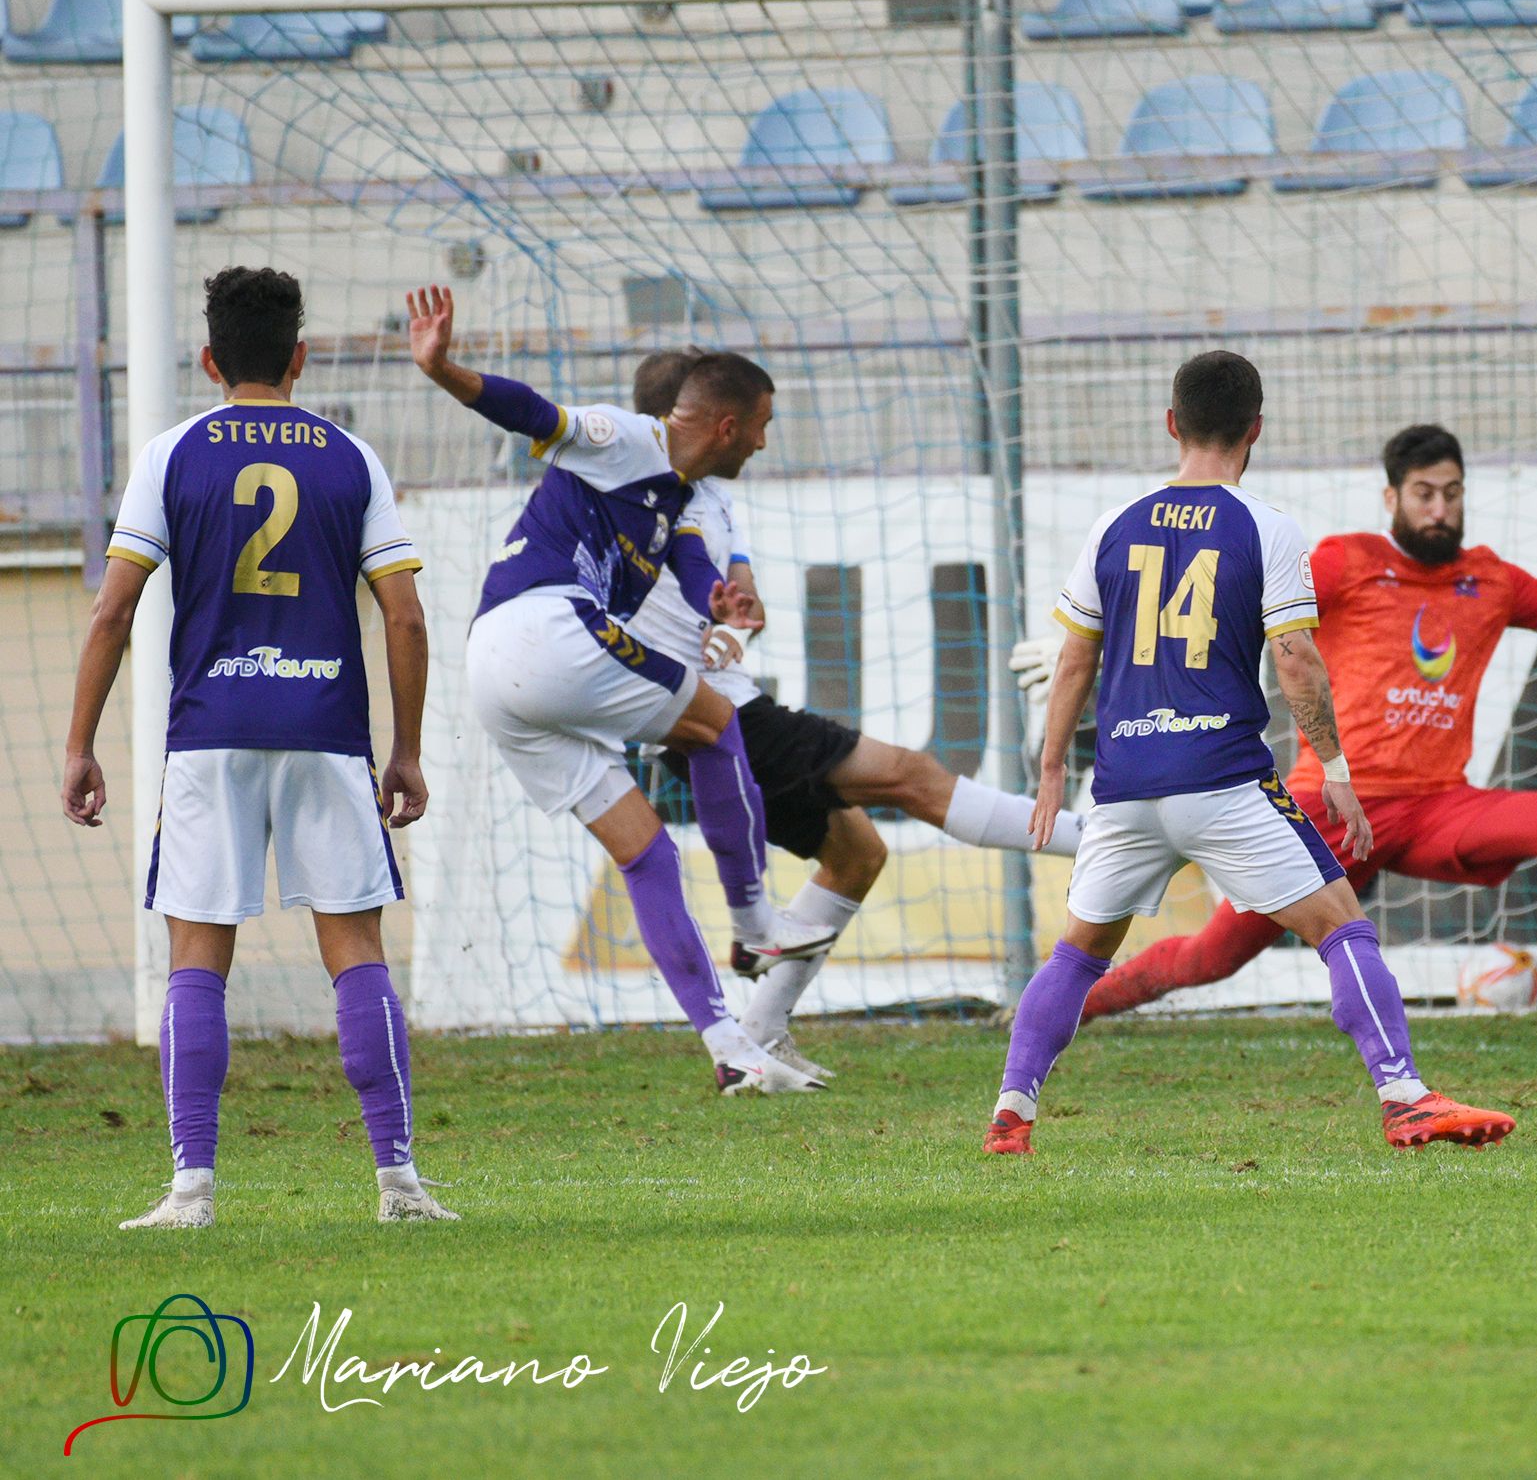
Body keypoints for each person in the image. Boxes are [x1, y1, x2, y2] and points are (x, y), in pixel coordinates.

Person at [1016, 422, 1537, 1021]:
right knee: (1213, 959)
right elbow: (1213, 599)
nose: (1441, 509)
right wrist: (1085, 644)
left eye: (1452, 493)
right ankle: (1069, 1011)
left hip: (1435, 807)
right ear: (1392, 499)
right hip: (1328, 809)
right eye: (1424, 493)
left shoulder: (1493, 579)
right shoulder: (1345, 562)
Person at [984, 353, 1517, 1156]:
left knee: (1076, 953)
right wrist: (1336, 770)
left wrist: (1054, 768)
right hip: (1222, 780)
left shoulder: (1114, 524)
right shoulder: (1265, 527)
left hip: (1123, 784)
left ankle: (1010, 1116)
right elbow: (1296, 658)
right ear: (1255, 431)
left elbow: (1073, 661)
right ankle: (1405, 1096)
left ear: (1172, 424)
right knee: (1342, 929)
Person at [62, 266, 455, 1227]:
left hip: (211, 734)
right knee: (357, 952)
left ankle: (191, 1189)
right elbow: (404, 618)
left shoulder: (170, 455)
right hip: (325, 732)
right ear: (301, 357)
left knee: (197, 957)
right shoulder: (351, 457)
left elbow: (115, 609)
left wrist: (79, 743)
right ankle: (398, 1184)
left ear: (208, 360)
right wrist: (404, 750)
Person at [617, 349, 1086, 1082]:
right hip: (717, 723)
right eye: (755, 425)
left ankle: (756, 1041)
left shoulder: (711, 498)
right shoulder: (641, 497)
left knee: (858, 854)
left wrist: (737, 615)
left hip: (724, 714)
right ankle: (1109, 845)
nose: (762, 442)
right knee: (914, 777)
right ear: (703, 419)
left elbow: (735, 593)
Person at [406, 286, 829, 1095]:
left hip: (499, 677)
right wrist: (443, 368)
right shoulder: (630, 438)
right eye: (765, 427)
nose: (767, 444)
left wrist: (724, 603)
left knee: (646, 851)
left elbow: (699, 570)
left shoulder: (679, 500)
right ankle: (755, 924)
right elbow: (535, 414)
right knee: (716, 722)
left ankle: (728, 1048)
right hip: (544, 626)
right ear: (731, 426)